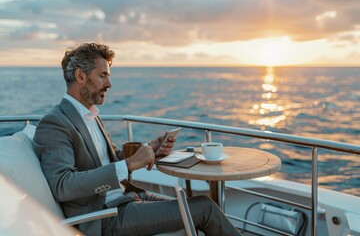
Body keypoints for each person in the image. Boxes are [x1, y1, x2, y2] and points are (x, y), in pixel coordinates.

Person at [34, 42, 242, 236]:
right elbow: (63, 185)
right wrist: (130, 164)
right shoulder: (55, 122)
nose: (109, 84)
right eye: (103, 76)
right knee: (203, 208)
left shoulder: (90, 115)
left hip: (127, 198)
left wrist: (150, 149)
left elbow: (111, 158)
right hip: (102, 217)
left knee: (195, 207)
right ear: (80, 76)